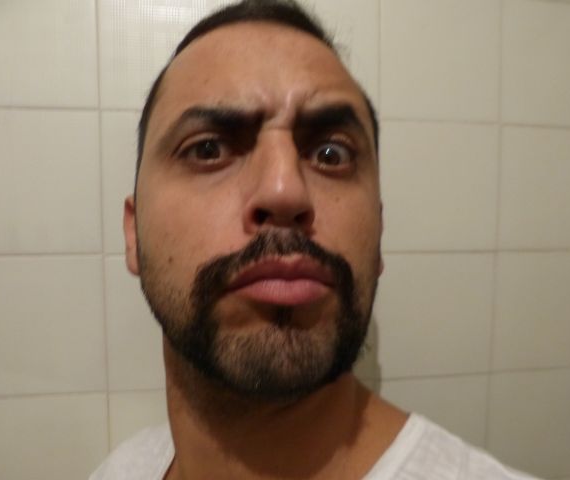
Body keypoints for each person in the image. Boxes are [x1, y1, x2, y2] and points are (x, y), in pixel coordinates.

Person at [90, 1, 541, 479]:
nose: (284, 191)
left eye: (331, 154)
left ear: (378, 234)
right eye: (208, 149)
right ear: (133, 233)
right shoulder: (118, 470)